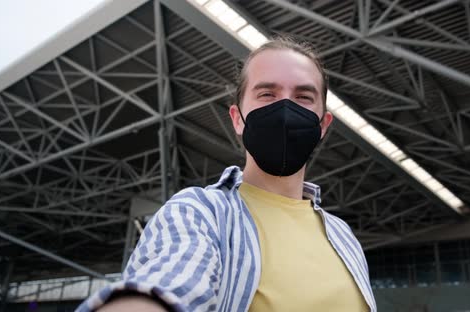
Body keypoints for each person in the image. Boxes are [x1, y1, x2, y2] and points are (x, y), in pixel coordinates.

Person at [77, 36, 377, 312]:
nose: (285, 108)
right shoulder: (200, 213)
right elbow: (169, 280)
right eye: (267, 94)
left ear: (323, 125)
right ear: (237, 119)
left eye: (303, 97)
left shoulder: (343, 236)